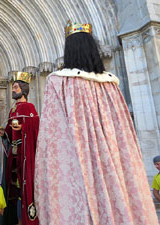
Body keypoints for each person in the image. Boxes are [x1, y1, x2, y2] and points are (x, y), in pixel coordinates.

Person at [34, 20, 159, 225]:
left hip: (77, 163)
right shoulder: (111, 84)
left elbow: (53, 139)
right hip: (111, 164)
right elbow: (124, 138)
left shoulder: (58, 81)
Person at [0, 72, 39, 225]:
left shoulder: (29, 107)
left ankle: (28, 219)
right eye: (13, 87)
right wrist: (3, 132)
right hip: (13, 155)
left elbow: (35, 127)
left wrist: (22, 126)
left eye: (16, 87)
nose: (13, 90)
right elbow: (10, 131)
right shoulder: (13, 110)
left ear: (23, 89)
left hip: (25, 153)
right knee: (12, 188)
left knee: (25, 186)